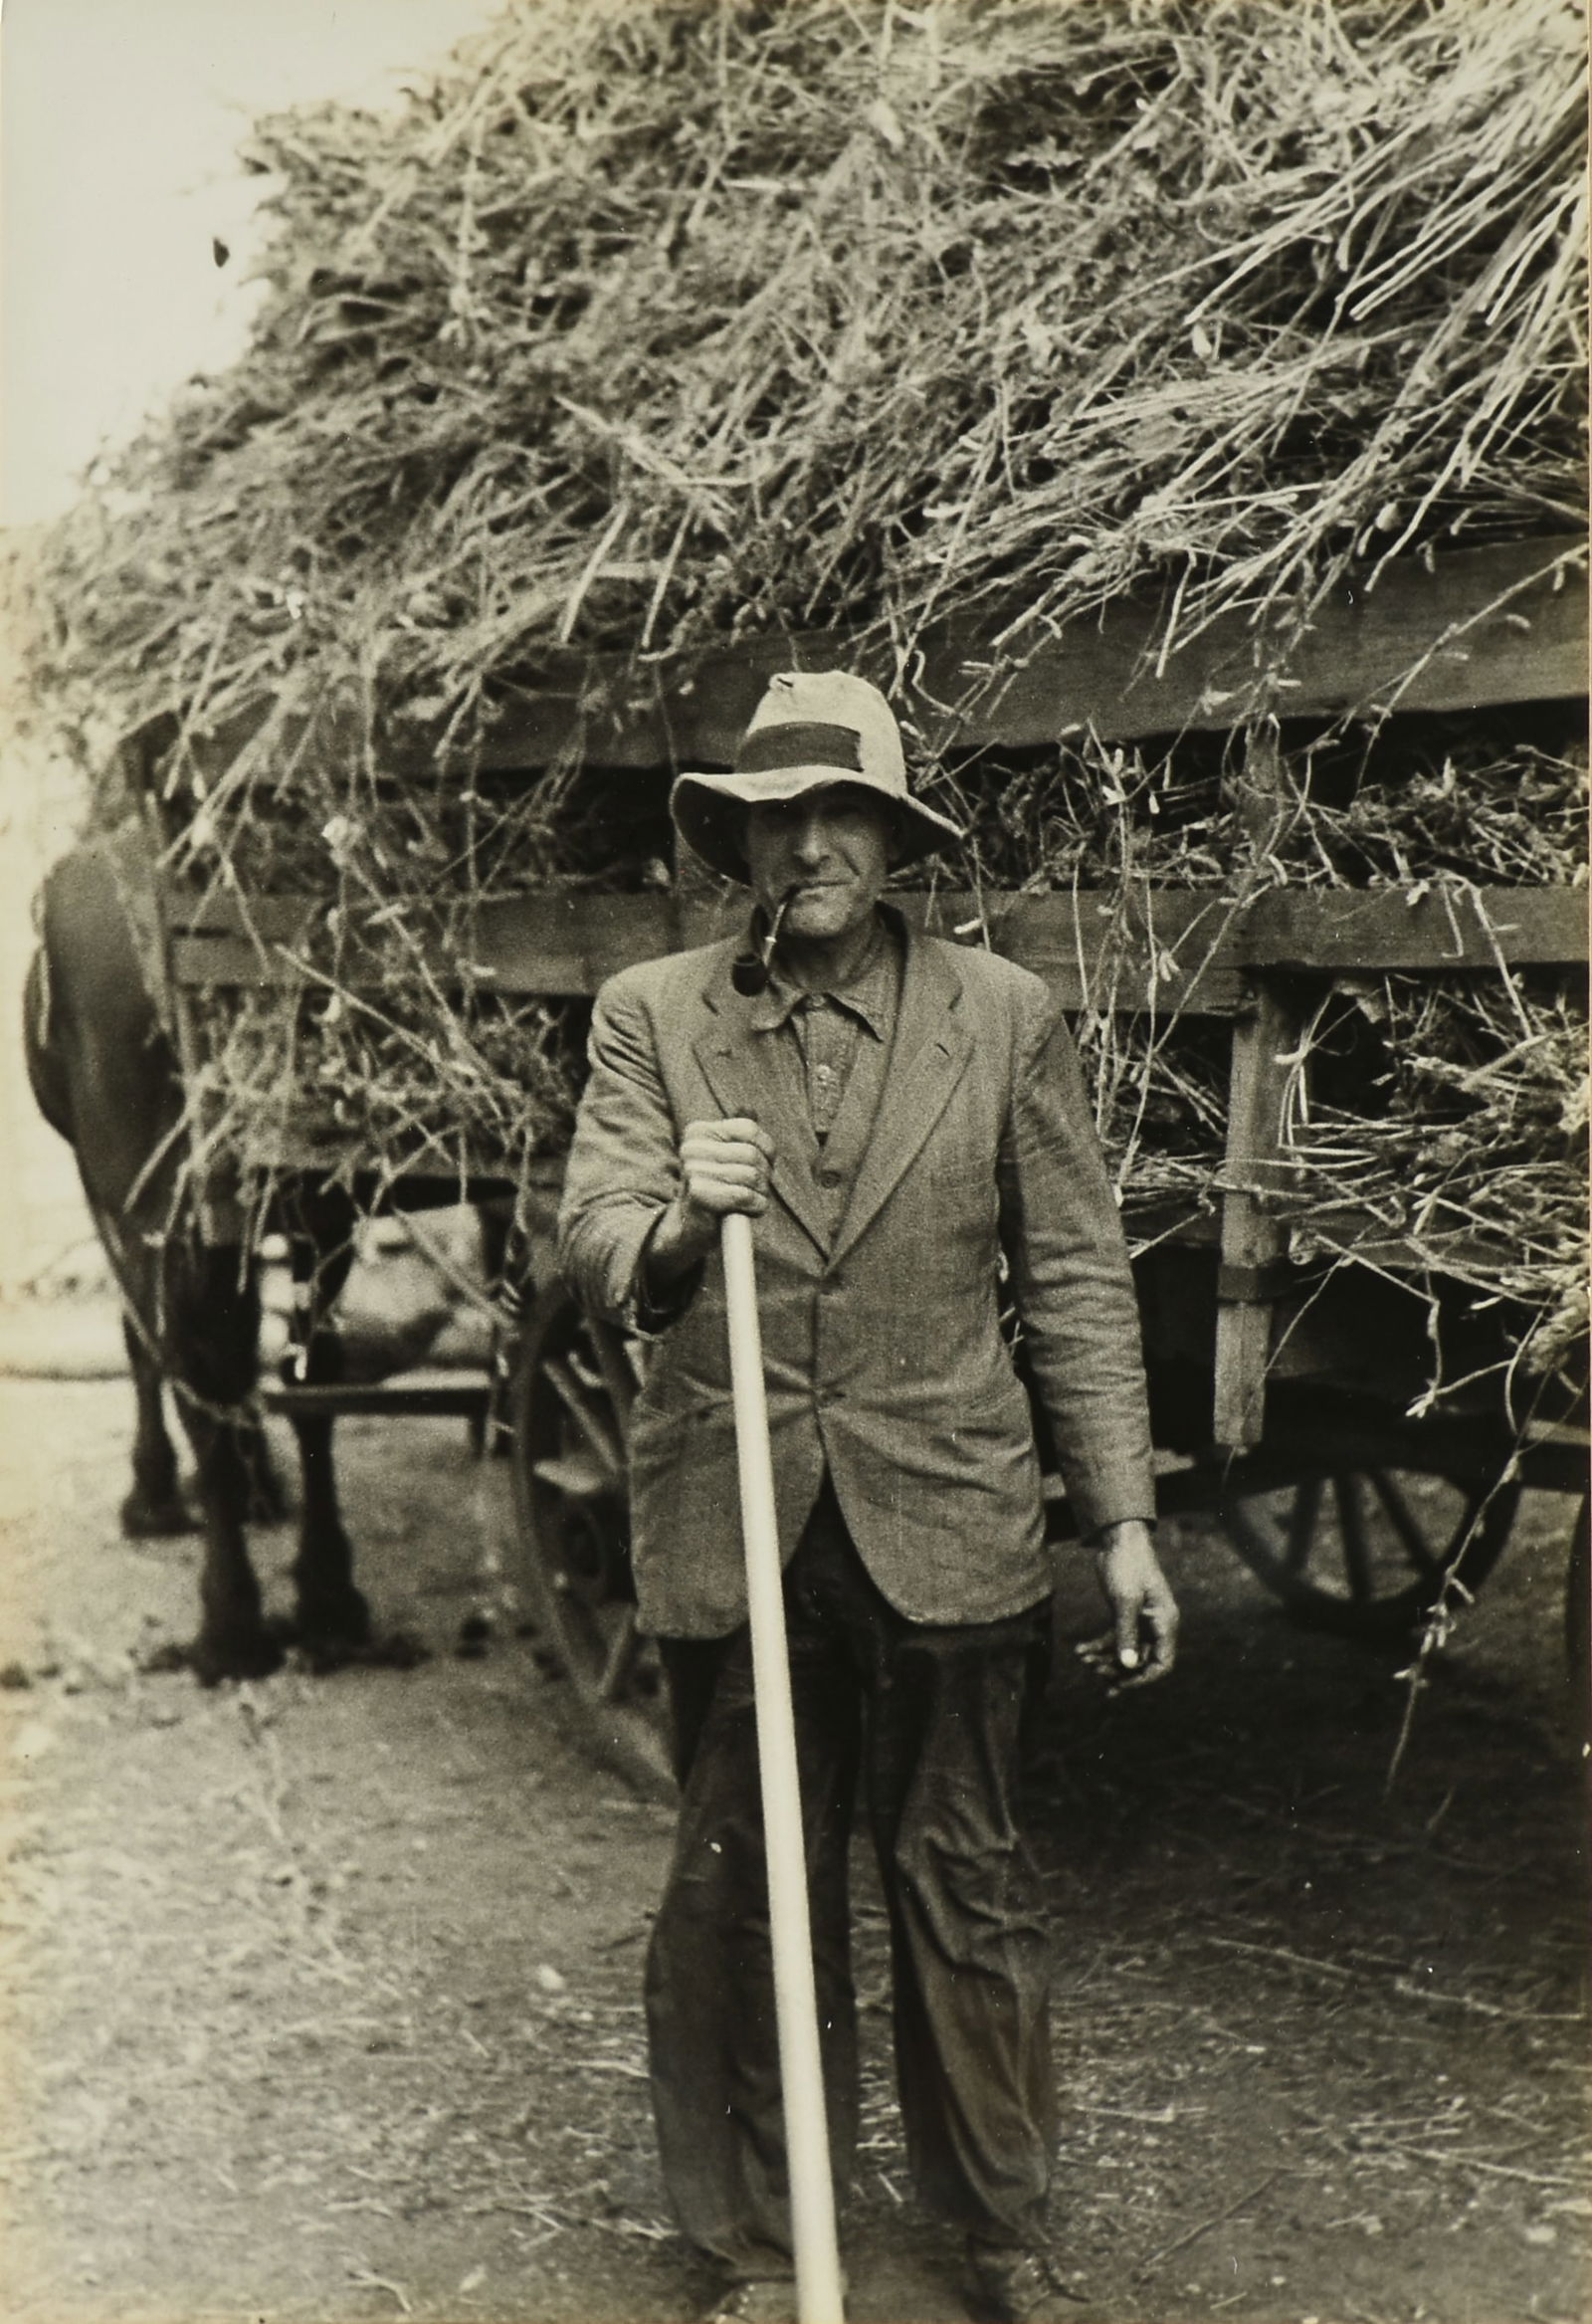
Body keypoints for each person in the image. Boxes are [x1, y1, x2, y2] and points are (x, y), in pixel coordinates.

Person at [557, 670, 1178, 2324]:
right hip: (735, 1516)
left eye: (842, 814)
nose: (810, 847)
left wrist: (1121, 1523)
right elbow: (597, 1235)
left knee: (962, 1873)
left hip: (949, 1513)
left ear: (894, 839)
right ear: (740, 846)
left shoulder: (1005, 1015)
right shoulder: (654, 1014)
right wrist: (678, 1220)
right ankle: (769, 2244)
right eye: (778, 820)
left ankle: (1000, 2227)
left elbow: (1075, 1274)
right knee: (747, 1882)